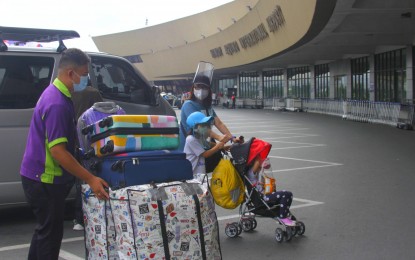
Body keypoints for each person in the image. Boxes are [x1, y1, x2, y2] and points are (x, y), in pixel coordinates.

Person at [20, 48, 109, 260]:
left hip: (37, 176)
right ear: (71, 73)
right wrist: (90, 178)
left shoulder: (57, 93)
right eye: (84, 74)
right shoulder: (57, 103)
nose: (86, 79)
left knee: (44, 233)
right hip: (45, 179)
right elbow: (58, 152)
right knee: (50, 239)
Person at [179, 61, 240, 152]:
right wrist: (219, 137)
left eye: (204, 87)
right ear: (193, 88)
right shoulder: (188, 105)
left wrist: (232, 138)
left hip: (203, 147)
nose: (201, 90)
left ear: (209, 90)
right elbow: (200, 127)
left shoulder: (207, 106)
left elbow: (219, 123)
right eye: (198, 87)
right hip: (189, 151)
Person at [71, 86, 104, 231]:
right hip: (89, 141)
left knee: (80, 179)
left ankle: (78, 218)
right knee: (90, 176)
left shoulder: (66, 92)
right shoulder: (93, 92)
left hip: (74, 141)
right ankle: (87, 216)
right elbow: (101, 113)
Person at [247, 148, 295, 226]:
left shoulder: (258, 174)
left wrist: (270, 186)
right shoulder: (251, 174)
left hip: (266, 195)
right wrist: (260, 153)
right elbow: (258, 161)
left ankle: (284, 214)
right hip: (262, 198)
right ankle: (282, 217)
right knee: (285, 194)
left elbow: (264, 186)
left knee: (289, 194)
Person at [184, 111, 230, 180]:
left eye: (205, 125)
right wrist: (218, 147)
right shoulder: (190, 139)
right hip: (192, 172)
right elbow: (205, 154)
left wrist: (223, 147)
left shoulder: (199, 137)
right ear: (195, 127)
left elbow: (208, 144)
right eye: (202, 125)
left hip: (200, 173)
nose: (205, 127)